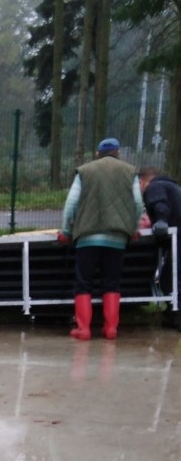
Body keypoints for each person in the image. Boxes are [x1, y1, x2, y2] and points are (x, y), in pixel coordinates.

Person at [59, 137, 143, 340]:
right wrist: (133, 228)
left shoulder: (85, 171)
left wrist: (66, 231)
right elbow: (138, 203)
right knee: (112, 283)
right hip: (117, 238)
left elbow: (71, 204)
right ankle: (111, 328)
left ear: (98, 153)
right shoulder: (130, 171)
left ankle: (84, 329)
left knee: (83, 283)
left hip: (87, 237)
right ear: (118, 152)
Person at [139, 166, 181, 329]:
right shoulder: (173, 187)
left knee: (172, 278)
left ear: (142, 181)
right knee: (170, 276)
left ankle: (175, 315)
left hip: (178, 236)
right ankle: (173, 313)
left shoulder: (155, 187)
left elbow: (160, 204)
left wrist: (161, 221)